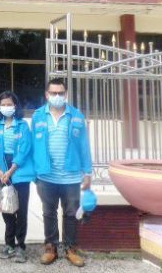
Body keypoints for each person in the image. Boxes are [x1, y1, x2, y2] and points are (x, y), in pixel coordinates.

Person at [33, 78, 93, 267]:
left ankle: (70, 249)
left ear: (66, 94)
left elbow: (84, 145)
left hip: (71, 176)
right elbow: (33, 145)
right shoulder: (38, 116)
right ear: (47, 95)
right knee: (48, 212)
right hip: (46, 175)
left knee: (71, 213)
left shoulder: (76, 116)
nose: (57, 96)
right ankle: (51, 248)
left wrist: (88, 172)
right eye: (53, 93)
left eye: (60, 93)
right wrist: (34, 172)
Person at [0, 91, 35, 264]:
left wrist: (11, 171)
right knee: (7, 208)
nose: (6, 107)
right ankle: (9, 244)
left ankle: (20, 246)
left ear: (15, 106)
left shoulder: (23, 125)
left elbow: (25, 149)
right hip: (0, 171)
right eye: (3, 104)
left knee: (21, 210)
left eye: (9, 104)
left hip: (19, 170)